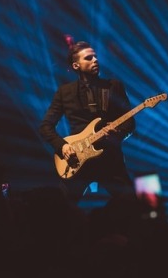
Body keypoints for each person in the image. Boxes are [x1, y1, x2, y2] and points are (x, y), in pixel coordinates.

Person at [39, 35, 136, 206]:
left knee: (132, 205)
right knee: (62, 209)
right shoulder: (65, 92)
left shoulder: (114, 86)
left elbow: (130, 122)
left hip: (110, 160)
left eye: (96, 56)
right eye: (89, 58)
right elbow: (46, 126)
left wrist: (117, 135)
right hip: (77, 160)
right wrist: (62, 146)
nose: (95, 60)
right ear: (76, 65)